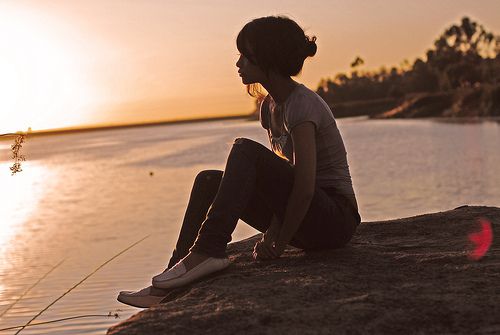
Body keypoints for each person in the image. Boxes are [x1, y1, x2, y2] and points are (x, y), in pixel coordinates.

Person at [118, 15, 361, 308]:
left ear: (267, 59)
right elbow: (283, 183)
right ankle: (173, 278)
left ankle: (209, 251)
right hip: (306, 217)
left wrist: (280, 242)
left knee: (244, 150)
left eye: (245, 57)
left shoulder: (303, 106)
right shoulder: (269, 107)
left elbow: (305, 186)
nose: (238, 64)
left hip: (334, 219)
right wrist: (275, 229)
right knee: (208, 180)